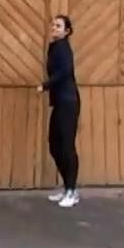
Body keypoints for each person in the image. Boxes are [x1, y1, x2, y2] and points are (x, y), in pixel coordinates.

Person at [38, 14, 81, 208]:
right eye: (53, 25)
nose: (54, 28)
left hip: (68, 102)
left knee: (66, 146)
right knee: (54, 144)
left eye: (58, 26)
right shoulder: (55, 47)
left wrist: (45, 86)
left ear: (66, 31)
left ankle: (72, 191)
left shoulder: (63, 49)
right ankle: (66, 188)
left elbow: (64, 72)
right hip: (60, 102)